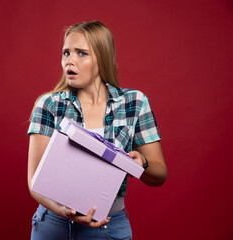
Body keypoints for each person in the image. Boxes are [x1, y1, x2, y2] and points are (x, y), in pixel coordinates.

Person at [27, 20, 167, 240]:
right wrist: (64, 211)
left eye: (81, 53)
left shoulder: (134, 103)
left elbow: (159, 175)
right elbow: (35, 181)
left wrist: (143, 163)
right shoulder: (49, 105)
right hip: (54, 224)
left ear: (101, 59)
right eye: (66, 53)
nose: (69, 61)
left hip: (109, 227)